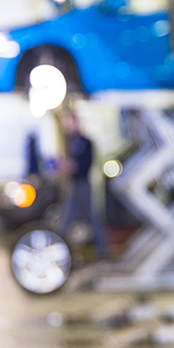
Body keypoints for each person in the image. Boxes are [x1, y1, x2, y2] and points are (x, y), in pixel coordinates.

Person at [58, 111, 108, 260]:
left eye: (68, 122)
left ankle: (103, 252)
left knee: (90, 218)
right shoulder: (70, 141)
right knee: (67, 219)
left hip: (83, 185)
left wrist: (71, 167)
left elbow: (85, 164)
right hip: (73, 184)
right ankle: (60, 249)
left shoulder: (84, 142)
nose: (66, 125)